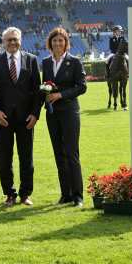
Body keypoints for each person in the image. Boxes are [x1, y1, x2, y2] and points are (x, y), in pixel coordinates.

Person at [0, 27, 42, 207]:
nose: (12, 42)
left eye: (15, 39)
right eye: (8, 40)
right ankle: (9, 194)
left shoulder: (32, 60)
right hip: (3, 118)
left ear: (20, 40)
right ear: (3, 42)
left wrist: (35, 114)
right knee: (5, 158)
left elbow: (38, 91)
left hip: (26, 119)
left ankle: (25, 194)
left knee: (27, 157)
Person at [41, 28, 87, 207]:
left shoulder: (74, 62)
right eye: (54, 41)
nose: (57, 44)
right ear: (50, 43)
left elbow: (82, 86)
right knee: (59, 155)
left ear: (66, 43)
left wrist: (60, 95)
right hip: (52, 114)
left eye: (61, 41)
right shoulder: (45, 62)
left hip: (69, 113)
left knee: (71, 154)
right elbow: (45, 85)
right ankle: (65, 194)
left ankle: (78, 196)